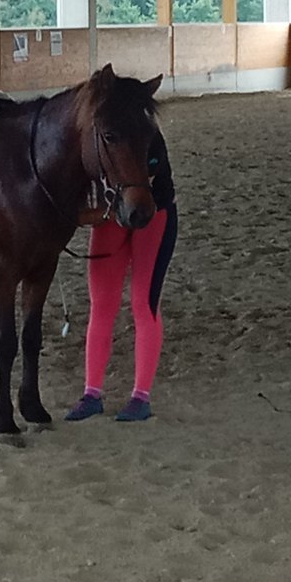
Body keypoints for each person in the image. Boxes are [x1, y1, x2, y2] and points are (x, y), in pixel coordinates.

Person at [65, 131, 178, 422]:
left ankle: (141, 396)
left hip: (153, 214)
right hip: (111, 216)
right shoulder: (96, 134)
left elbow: (144, 181)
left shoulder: (147, 136)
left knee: (144, 302)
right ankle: (92, 392)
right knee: (101, 304)